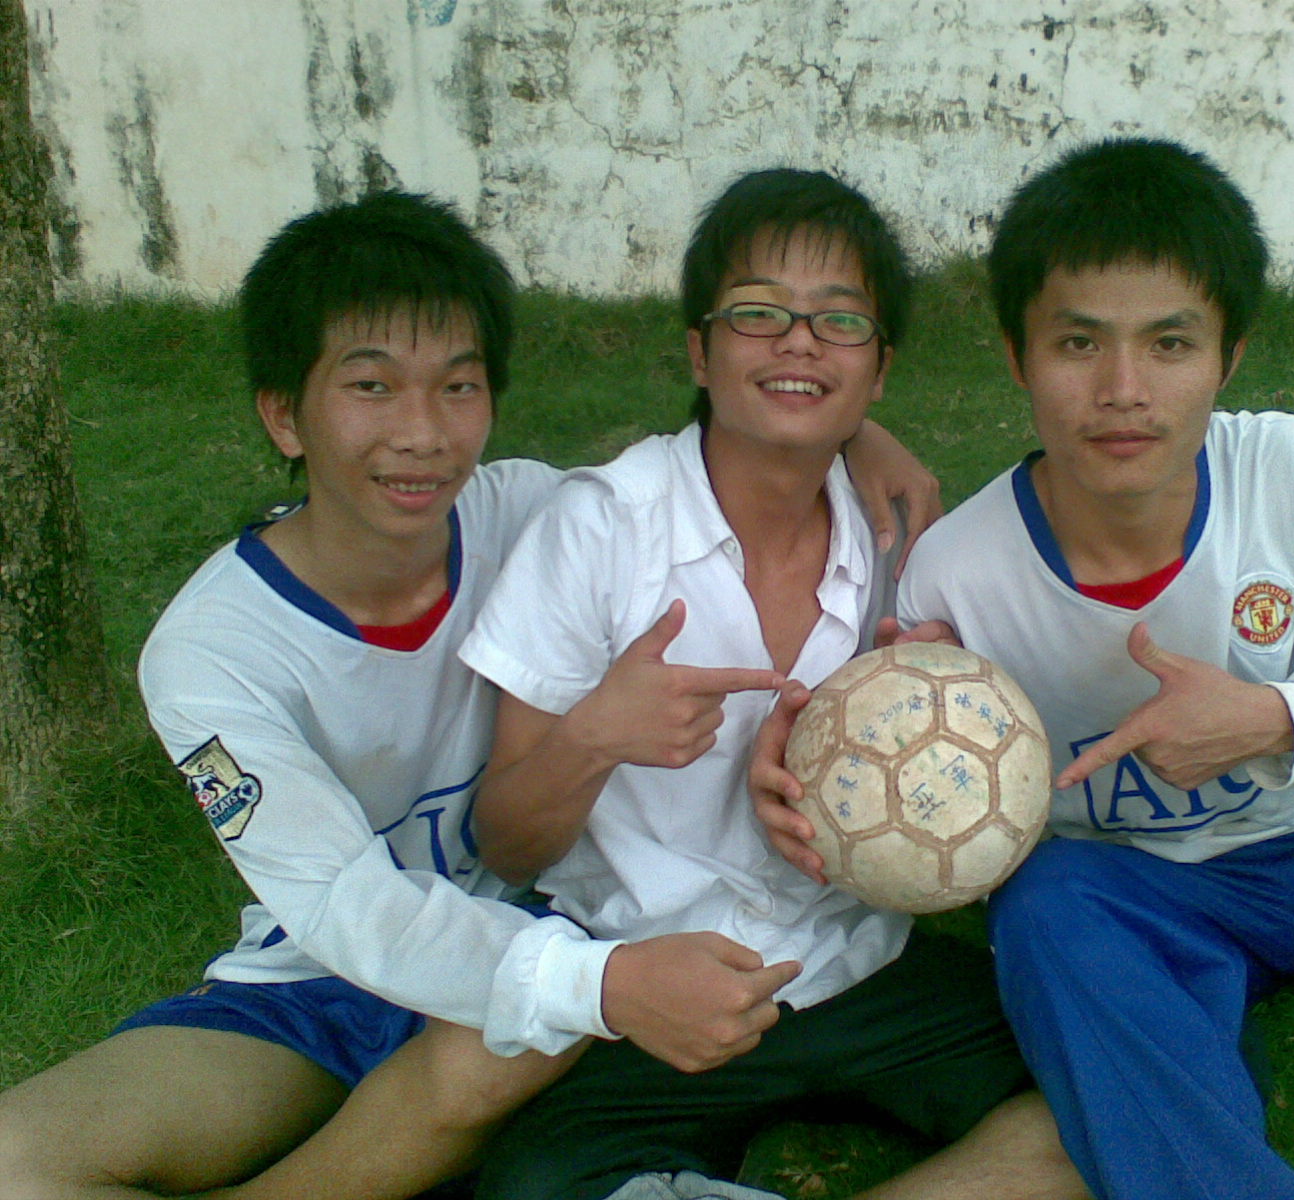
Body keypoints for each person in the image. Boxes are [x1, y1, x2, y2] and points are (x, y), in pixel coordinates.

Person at [0, 189, 942, 1200]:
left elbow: (710, 470)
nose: (422, 434)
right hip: (325, 978)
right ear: (283, 414)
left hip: (535, 948)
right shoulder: (212, 651)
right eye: (371, 386)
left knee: (500, 1059)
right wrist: (605, 983)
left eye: (457, 387)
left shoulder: (527, 510)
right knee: (20, 1160)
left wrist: (852, 436)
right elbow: (344, 906)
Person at [754, 135, 1294, 1200]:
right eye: (1078, 343)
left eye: (1168, 343)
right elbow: (925, 803)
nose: (1123, 390)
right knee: (1050, 911)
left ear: (1226, 357)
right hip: (1149, 888)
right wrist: (857, 773)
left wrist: (1278, 719)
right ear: (1018, 356)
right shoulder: (958, 577)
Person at [459, 167, 1086, 1200]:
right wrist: (595, 735)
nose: (799, 343)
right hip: (662, 986)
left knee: (1116, 1083)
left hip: (860, 960)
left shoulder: (895, 538)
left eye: (839, 321)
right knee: (531, 1187)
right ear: (699, 351)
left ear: (878, 370)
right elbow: (503, 843)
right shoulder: (600, 530)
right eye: (758, 313)